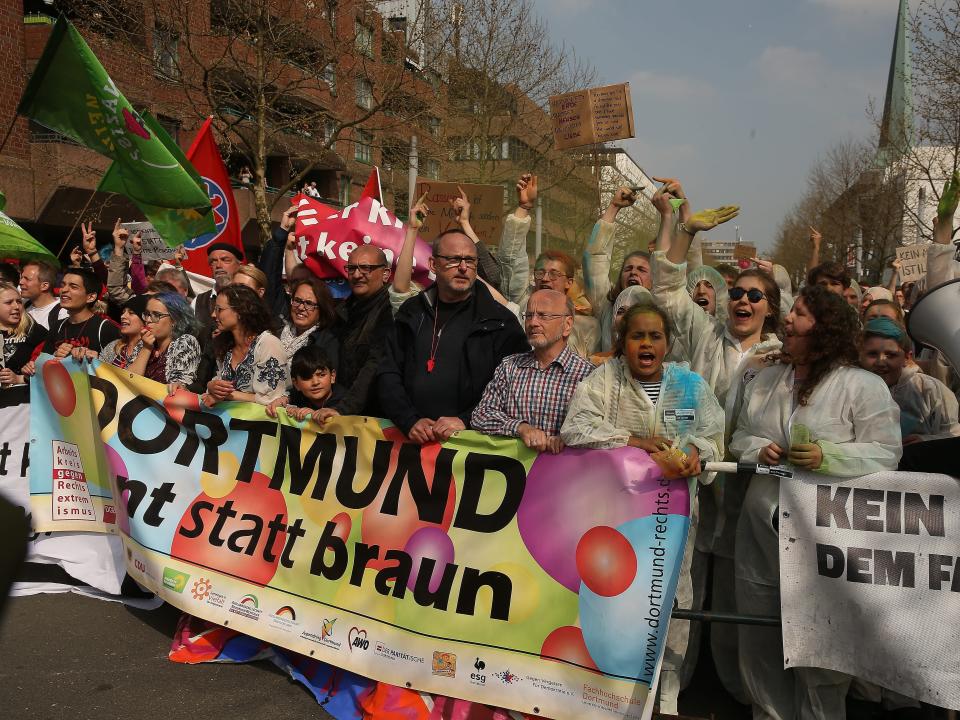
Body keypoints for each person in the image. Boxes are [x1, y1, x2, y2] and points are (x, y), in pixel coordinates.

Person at [731, 285, 901, 720]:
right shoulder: (768, 381)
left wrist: (831, 457)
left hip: (826, 534)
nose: (787, 320)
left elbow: (886, 451)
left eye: (800, 315)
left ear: (824, 329)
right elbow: (740, 437)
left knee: (820, 642)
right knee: (762, 634)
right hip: (761, 529)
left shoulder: (861, 386)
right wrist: (759, 448)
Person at [561, 302, 725, 715]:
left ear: (668, 343)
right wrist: (631, 440)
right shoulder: (604, 381)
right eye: (638, 336)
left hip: (675, 517)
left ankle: (666, 688)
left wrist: (694, 453)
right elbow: (576, 428)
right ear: (623, 343)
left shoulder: (691, 385)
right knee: (615, 597)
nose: (647, 343)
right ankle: (611, 687)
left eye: (655, 336)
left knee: (672, 594)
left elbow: (713, 435)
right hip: (617, 515)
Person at [378, 224, 528, 444]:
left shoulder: (501, 322)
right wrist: (409, 420)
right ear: (433, 264)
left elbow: (515, 387)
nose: (463, 267)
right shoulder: (412, 311)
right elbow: (388, 371)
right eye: (453, 259)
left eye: (470, 261)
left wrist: (466, 419)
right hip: (410, 443)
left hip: (470, 448)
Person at [471, 289, 593, 452]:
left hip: (566, 474)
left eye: (543, 316)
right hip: (515, 474)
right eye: (528, 316)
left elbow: (597, 428)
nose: (533, 322)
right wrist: (521, 428)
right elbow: (481, 415)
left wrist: (569, 439)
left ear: (567, 324)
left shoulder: (587, 375)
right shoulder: (510, 367)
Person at [497, 174, 598, 355]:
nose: (544, 278)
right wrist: (524, 207)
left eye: (553, 274)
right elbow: (510, 259)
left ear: (569, 281)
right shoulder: (522, 303)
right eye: (540, 272)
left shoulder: (587, 323)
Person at [859, 317, 958, 443]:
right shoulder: (851, 389)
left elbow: (954, 434)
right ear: (860, 355)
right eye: (872, 354)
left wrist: (926, 441)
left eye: (891, 355)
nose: (880, 362)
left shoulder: (930, 389)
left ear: (907, 357)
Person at [325, 244, 395, 418]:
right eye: (351, 268)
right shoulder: (342, 312)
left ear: (385, 274)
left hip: (374, 418)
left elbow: (374, 364)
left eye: (366, 268)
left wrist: (343, 409)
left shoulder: (391, 311)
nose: (356, 275)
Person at [583, 186, 654, 352]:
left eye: (641, 270)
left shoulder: (660, 309)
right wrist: (614, 207)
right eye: (628, 268)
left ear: (654, 280)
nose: (633, 272)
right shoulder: (606, 306)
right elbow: (594, 260)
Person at [204, 285, 289, 407]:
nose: (213, 314)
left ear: (240, 311)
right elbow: (215, 389)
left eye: (219, 309)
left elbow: (272, 398)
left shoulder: (268, 344)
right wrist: (211, 386)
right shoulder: (225, 346)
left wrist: (228, 395)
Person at [40, 266, 120, 360]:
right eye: (63, 285)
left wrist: (97, 360)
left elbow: (120, 369)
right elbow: (41, 364)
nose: (64, 290)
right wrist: (54, 356)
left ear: (91, 297)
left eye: (73, 287)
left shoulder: (106, 328)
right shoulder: (57, 326)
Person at [128, 293, 202, 391]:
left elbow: (176, 388)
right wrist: (146, 349)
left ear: (175, 320)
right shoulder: (144, 343)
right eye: (147, 314)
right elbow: (128, 381)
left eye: (156, 315)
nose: (148, 320)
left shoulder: (186, 342)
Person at [266, 346, 343, 422]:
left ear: (332, 376)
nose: (315, 382)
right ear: (296, 384)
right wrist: (282, 407)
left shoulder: (346, 403)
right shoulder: (292, 398)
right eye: (307, 378)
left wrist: (313, 416)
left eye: (321, 375)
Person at [278, 276, 339, 363]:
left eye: (309, 303)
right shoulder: (276, 330)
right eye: (297, 300)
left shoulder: (327, 343)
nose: (301, 307)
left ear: (321, 309)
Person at [0, 281, 47, 386]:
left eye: (19, 301)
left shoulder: (35, 332)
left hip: (24, 397)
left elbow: (49, 370)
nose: (16, 306)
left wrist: (20, 378)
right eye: (9, 302)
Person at [194, 243, 244, 335]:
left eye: (225, 260)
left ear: (239, 265)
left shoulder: (247, 297)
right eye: (213, 261)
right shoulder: (199, 301)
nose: (218, 265)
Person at [99, 295, 149, 370]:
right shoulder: (114, 346)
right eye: (123, 312)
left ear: (146, 320)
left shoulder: (149, 349)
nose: (122, 316)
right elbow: (99, 371)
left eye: (131, 313)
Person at [19, 260, 64, 330]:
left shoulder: (62, 312)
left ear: (44, 286)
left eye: (27, 279)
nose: (21, 282)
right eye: (21, 278)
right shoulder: (23, 305)